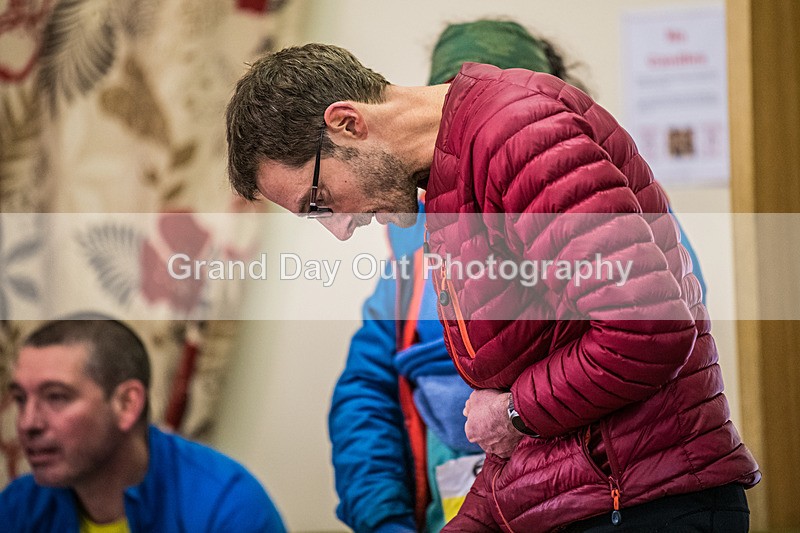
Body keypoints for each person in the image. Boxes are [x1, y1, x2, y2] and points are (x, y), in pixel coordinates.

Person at [225, 34, 759, 532]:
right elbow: (533, 412)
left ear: (347, 123)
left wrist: (513, 412)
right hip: (600, 496)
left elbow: (646, 332)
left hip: (645, 503)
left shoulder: (517, 132)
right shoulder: (453, 176)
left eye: (318, 202)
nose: (339, 229)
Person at [0, 316, 286, 533]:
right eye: (21, 399)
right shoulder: (20, 504)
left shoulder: (228, 509)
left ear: (127, 404)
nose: (27, 423)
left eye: (56, 397)